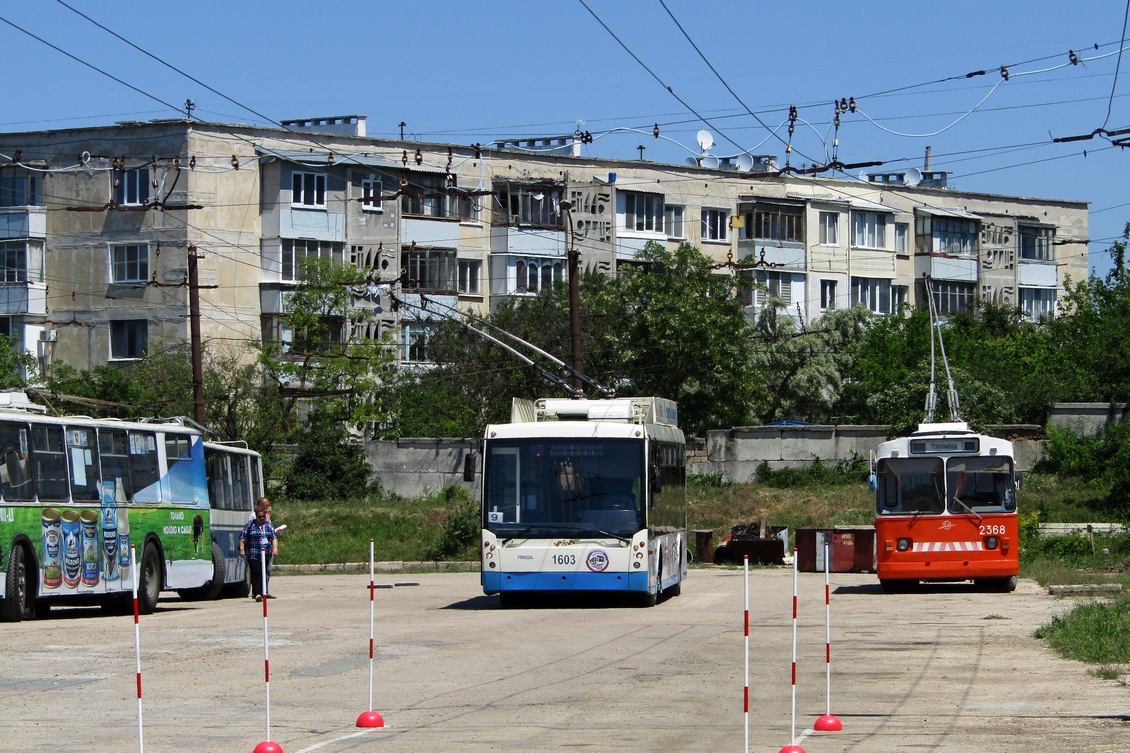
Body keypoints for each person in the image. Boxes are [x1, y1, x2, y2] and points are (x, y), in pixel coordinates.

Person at [239, 498, 278, 601]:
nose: (262, 518)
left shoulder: (268, 524)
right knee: (256, 572)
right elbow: (243, 537)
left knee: (263, 572)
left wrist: (275, 548)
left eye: (263, 517)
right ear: (256, 516)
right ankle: (257, 593)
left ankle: (263, 591)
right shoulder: (251, 524)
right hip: (253, 552)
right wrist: (242, 549)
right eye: (260, 517)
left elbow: (273, 537)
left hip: (266, 553)